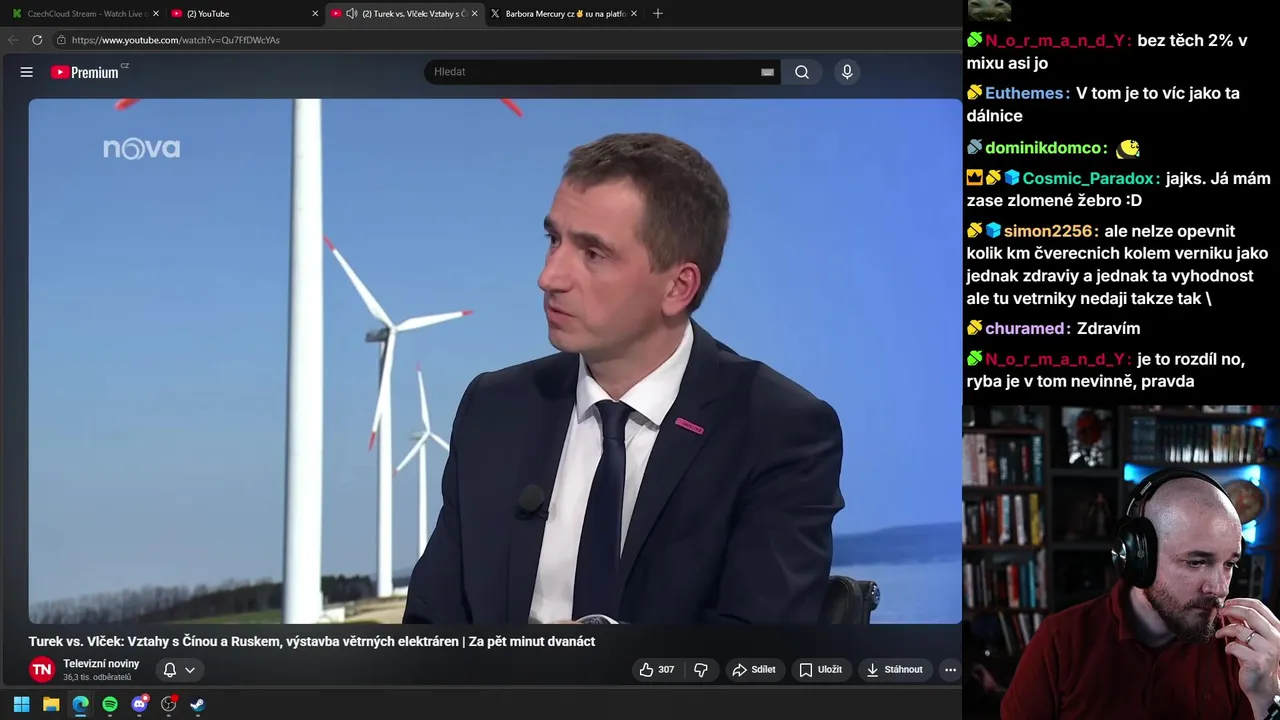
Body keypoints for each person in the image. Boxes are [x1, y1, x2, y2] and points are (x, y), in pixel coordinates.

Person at [402, 132, 844, 625]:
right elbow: (429, 629)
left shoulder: (778, 432)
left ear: (678, 287)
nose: (549, 277)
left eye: (593, 253)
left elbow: (755, 651)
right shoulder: (494, 409)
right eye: (553, 240)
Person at [1001, 472, 1280, 719]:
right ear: (1138, 558)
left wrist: (1266, 699)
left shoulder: (1244, 654)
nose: (1219, 588)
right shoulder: (1059, 640)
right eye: (1195, 562)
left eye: (1229, 564)